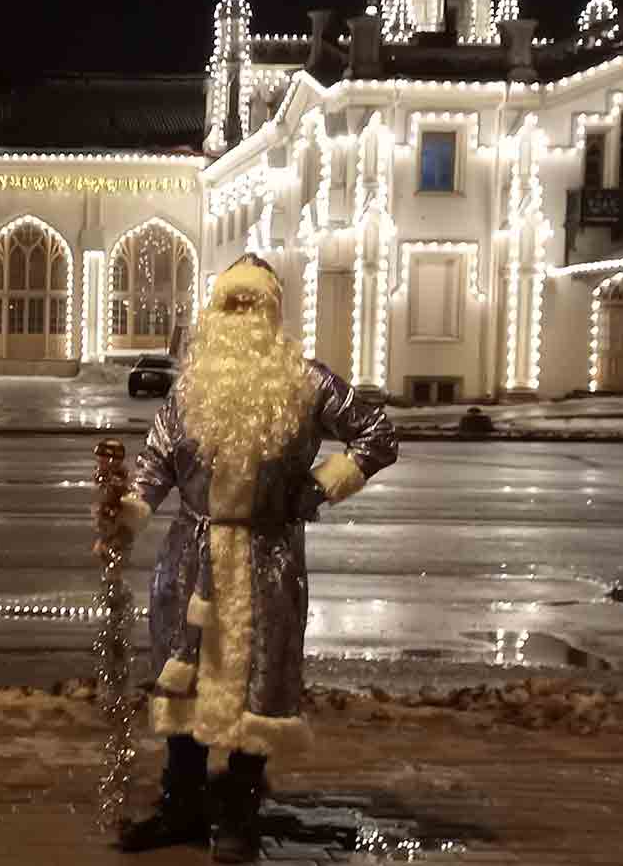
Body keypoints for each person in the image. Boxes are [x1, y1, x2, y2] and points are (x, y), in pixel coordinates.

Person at [92, 254, 397, 863]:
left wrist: (317, 487)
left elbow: (377, 435)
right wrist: (124, 512)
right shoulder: (191, 389)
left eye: (250, 304)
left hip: (267, 561)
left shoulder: (308, 384)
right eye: (230, 304)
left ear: (272, 314)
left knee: (257, 683)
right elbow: (154, 466)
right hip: (191, 559)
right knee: (183, 678)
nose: (239, 316)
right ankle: (181, 807)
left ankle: (237, 813)